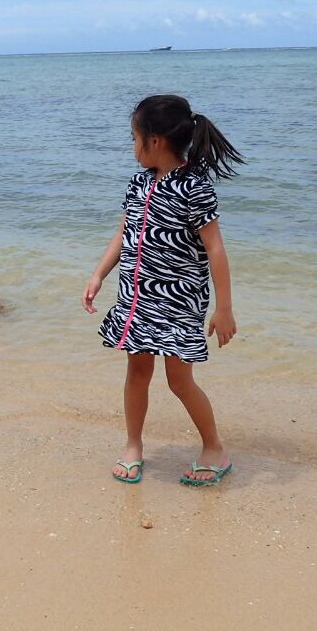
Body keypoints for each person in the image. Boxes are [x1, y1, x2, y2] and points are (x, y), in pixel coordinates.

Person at [82, 95, 243, 486]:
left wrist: (224, 309)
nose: (132, 146)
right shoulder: (138, 183)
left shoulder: (194, 187)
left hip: (178, 300)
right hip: (137, 298)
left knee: (179, 380)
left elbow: (215, 249)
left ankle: (215, 448)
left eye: (134, 137)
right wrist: (99, 273)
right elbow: (124, 233)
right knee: (137, 371)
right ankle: (134, 445)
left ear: (154, 141)